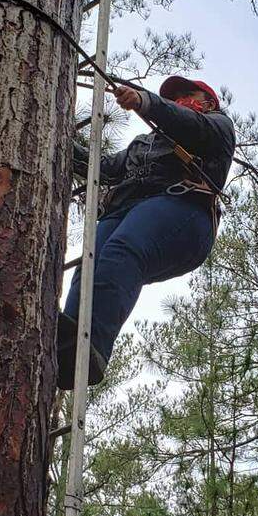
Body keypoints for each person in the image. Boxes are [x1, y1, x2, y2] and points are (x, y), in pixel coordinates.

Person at [57, 76, 236, 390]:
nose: (180, 100)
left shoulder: (217, 126)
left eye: (186, 95)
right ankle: (61, 343)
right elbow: (105, 167)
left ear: (207, 103)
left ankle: (93, 347)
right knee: (90, 261)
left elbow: (186, 122)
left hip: (184, 210)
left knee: (122, 250)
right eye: (175, 97)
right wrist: (59, 140)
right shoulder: (144, 143)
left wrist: (147, 102)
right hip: (130, 209)